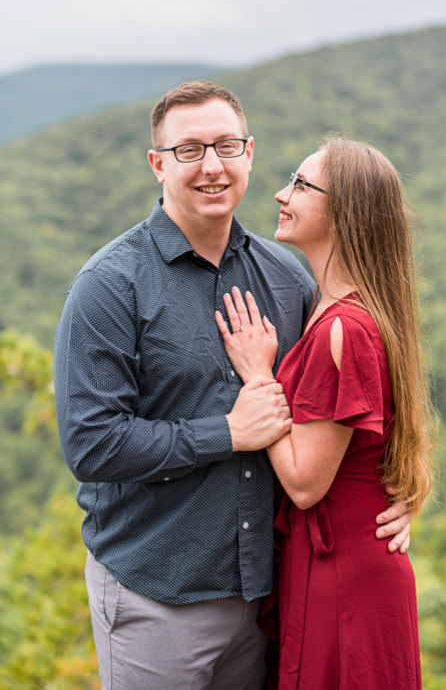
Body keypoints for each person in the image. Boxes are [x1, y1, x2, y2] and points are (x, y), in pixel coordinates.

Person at [54, 81, 412, 690]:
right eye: (190, 150)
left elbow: (344, 402)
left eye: (226, 146)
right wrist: (226, 432)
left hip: (268, 594)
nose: (212, 166)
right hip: (157, 591)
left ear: (249, 152)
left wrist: (393, 495)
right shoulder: (109, 285)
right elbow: (92, 446)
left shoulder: (286, 276)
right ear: (157, 164)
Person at [216, 136, 433, 689]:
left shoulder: (342, 328)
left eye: (301, 185)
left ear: (345, 211)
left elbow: (306, 484)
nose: (280, 193)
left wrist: (259, 375)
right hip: (339, 559)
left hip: (346, 573)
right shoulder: (330, 309)